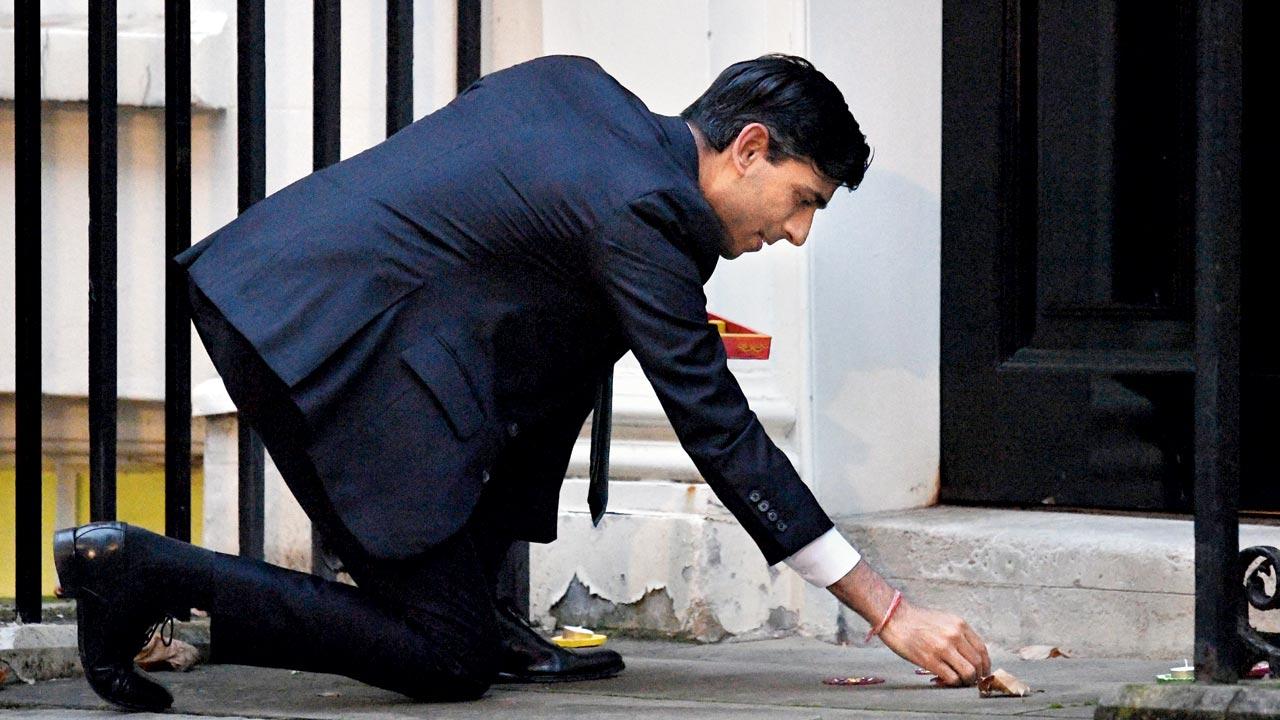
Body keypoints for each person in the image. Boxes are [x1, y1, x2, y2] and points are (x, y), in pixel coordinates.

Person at [53, 54, 989, 712]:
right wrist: (888, 610)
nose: (796, 233)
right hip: (330, 346)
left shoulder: (579, 92)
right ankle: (136, 571)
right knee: (442, 655)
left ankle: (478, 613)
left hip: (291, 300)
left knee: (576, 355)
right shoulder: (642, 218)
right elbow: (719, 430)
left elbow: (539, 342)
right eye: (802, 200)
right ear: (748, 147)